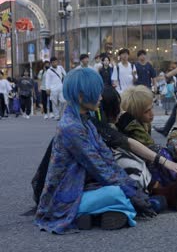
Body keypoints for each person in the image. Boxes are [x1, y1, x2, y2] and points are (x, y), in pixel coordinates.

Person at [35, 68, 158, 234]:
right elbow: (99, 167)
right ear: (80, 96)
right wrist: (132, 191)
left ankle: (98, 213)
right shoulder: (71, 127)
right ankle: (90, 212)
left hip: (82, 185)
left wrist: (131, 187)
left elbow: (107, 159)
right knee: (118, 193)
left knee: (125, 189)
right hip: (64, 196)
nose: (100, 97)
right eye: (97, 93)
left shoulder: (85, 121)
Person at [117, 85, 177, 210]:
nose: (151, 114)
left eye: (151, 108)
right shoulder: (130, 125)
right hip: (138, 165)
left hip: (148, 160)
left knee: (166, 157)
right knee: (164, 156)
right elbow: (150, 147)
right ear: (135, 114)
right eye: (146, 111)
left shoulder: (144, 123)